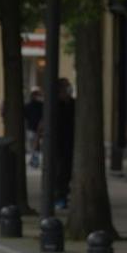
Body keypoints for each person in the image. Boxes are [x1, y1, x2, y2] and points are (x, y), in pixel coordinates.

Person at [54, 78, 76, 208]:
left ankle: (63, 195)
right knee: (59, 172)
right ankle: (59, 197)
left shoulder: (73, 104)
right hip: (58, 143)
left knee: (66, 171)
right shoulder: (55, 104)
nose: (68, 89)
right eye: (66, 87)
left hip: (70, 143)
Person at [23, 86, 44, 168]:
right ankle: (34, 160)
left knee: (34, 146)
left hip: (35, 128)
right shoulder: (40, 105)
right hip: (33, 129)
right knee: (35, 146)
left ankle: (34, 161)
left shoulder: (30, 105)